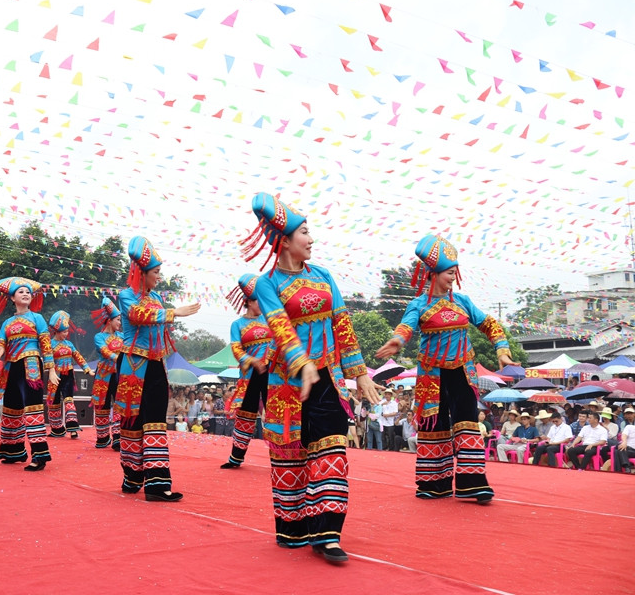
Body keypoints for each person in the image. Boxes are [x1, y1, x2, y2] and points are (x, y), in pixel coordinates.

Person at [241, 193, 378, 563]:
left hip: (327, 379)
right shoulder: (267, 284)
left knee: (332, 446)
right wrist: (302, 363)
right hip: (288, 383)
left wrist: (360, 374)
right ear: (284, 240)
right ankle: (295, 529)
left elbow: (342, 323)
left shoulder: (323, 276)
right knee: (291, 456)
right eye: (305, 232)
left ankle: (328, 533)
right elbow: (280, 326)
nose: (312, 238)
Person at [376, 235, 515, 502]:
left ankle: (472, 484)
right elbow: (406, 326)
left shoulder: (462, 301)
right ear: (434, 273)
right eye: (450, 272)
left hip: (463, 372)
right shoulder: (419, 304)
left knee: (467, 423)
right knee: (433, 424)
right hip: (432, 375)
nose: (453, 277)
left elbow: (489, 324)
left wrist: (502, 348)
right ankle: (433, 484)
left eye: (454, 273)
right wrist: (397, 340)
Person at [115, 236, 200, 501]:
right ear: (141, 273)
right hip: (132, 364)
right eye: (155, 273)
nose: (158, 278)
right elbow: (138, 316)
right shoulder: (126, 296)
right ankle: (131, 476)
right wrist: (176, 312)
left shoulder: (155, 299)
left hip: (155, 365)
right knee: (132, 420)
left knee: (155, 421)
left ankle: (157, 485)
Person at [0, 277, 57, 471]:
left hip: (31, 365)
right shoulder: (7, 322)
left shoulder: (37, 318)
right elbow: (1, 340)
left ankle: (39, 455)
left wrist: (51, 369)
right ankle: (12, 451)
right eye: (21, 292)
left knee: (33, 408)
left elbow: (46, 345)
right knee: (11, 409)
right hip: (11, 368)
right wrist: (0, 348)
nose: (26, 294)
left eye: (28, 292)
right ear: (12, 298)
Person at [221, 274, 274, 468]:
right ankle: (236, 458)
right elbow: (236, 348)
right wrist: (251, 360)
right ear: (249, 302)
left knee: (276, 413)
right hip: (250, 374)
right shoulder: (238, 325)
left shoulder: (270, 319)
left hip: (272, 372)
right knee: (246, 414)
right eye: (258, 300)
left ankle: (283, 457)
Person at [47, 311, 93, 438]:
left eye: (67, 332)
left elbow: (78, 356)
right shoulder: (50, 344)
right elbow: (47, 359)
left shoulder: (69, 344)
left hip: (67, 375)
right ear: (56, 332)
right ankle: (57, 430)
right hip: (55, 375)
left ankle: (73, 428)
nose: (66, 334)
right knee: (54, 402)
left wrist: (87, 369)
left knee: (68, 400)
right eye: (64, 332)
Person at [90, 297, 123, 449]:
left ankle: (117, 438)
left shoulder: (122, 337)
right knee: (102, 406)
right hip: (103, 374)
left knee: (118, 405)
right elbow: (104, 351)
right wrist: (118, 358)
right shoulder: (99, 337)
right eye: (117, 320)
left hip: (119, 374)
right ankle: (103, 438)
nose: (120, 323)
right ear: (109, 320)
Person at [614, 406, 635, 472]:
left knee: (618, 450)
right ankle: (626, 468)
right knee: (619, 449)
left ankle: (620, 470)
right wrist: (624, 442)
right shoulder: (628, 426)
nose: (629, 415)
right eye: (627, 414)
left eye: (631, 414)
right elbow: (624, 435)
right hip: (628, 448)